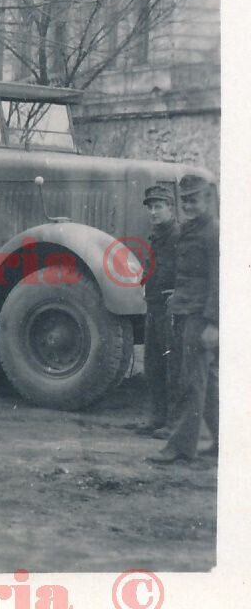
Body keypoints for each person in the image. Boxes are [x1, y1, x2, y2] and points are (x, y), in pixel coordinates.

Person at [149, 174, 219, 463]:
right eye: (185, 201)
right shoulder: (191, 229)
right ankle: (224, 440)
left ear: (208, 200)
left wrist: (214, 323)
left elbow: (219, 280)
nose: (188, 206)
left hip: (199, 315)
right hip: (185, 310)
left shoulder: (213, 232)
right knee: (207, 380)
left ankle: (180, 446)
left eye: (194, 200)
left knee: (191, 380)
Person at [136, 184, 179, 436]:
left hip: (169, 307)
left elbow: (188, 270)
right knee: (153, 363)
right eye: (151, 207)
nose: (153, 212)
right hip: (154, 305)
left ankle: (173, 423)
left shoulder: (177, 235)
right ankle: (157, 417)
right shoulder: (157, 235)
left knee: (172, 364)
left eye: (158, 207)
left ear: (170, 208)